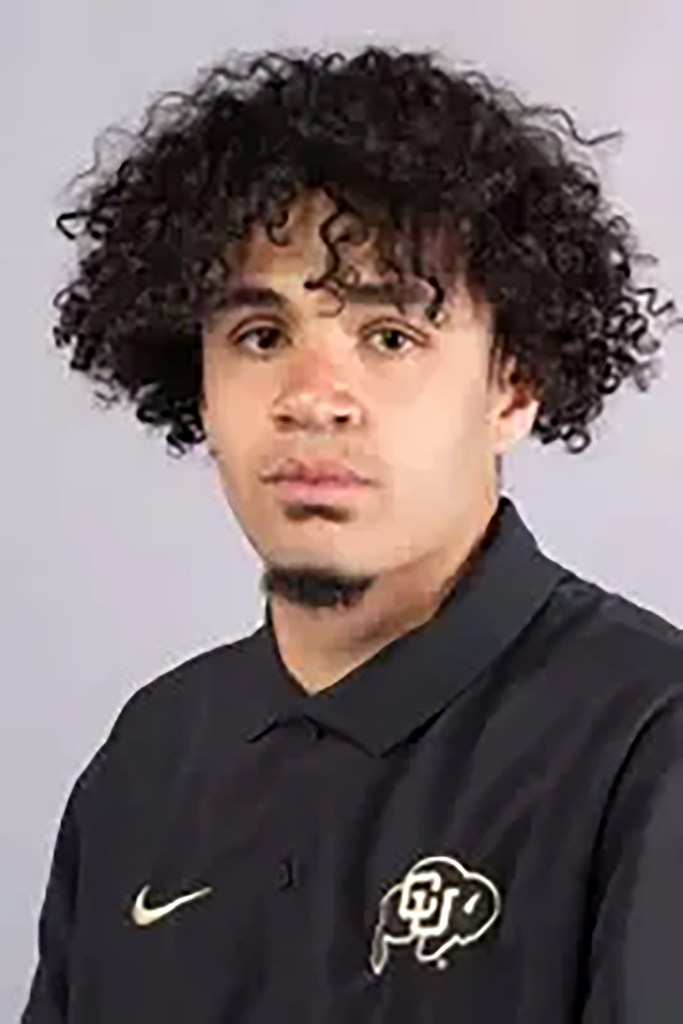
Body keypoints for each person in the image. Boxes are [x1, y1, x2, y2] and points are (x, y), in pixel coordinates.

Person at [21, 46, 683, 1023]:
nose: (312, 398)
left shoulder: (648, 747)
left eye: (389, 337)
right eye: (261, 336)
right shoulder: (148, 758)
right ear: (196, 382)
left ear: (513, 387)